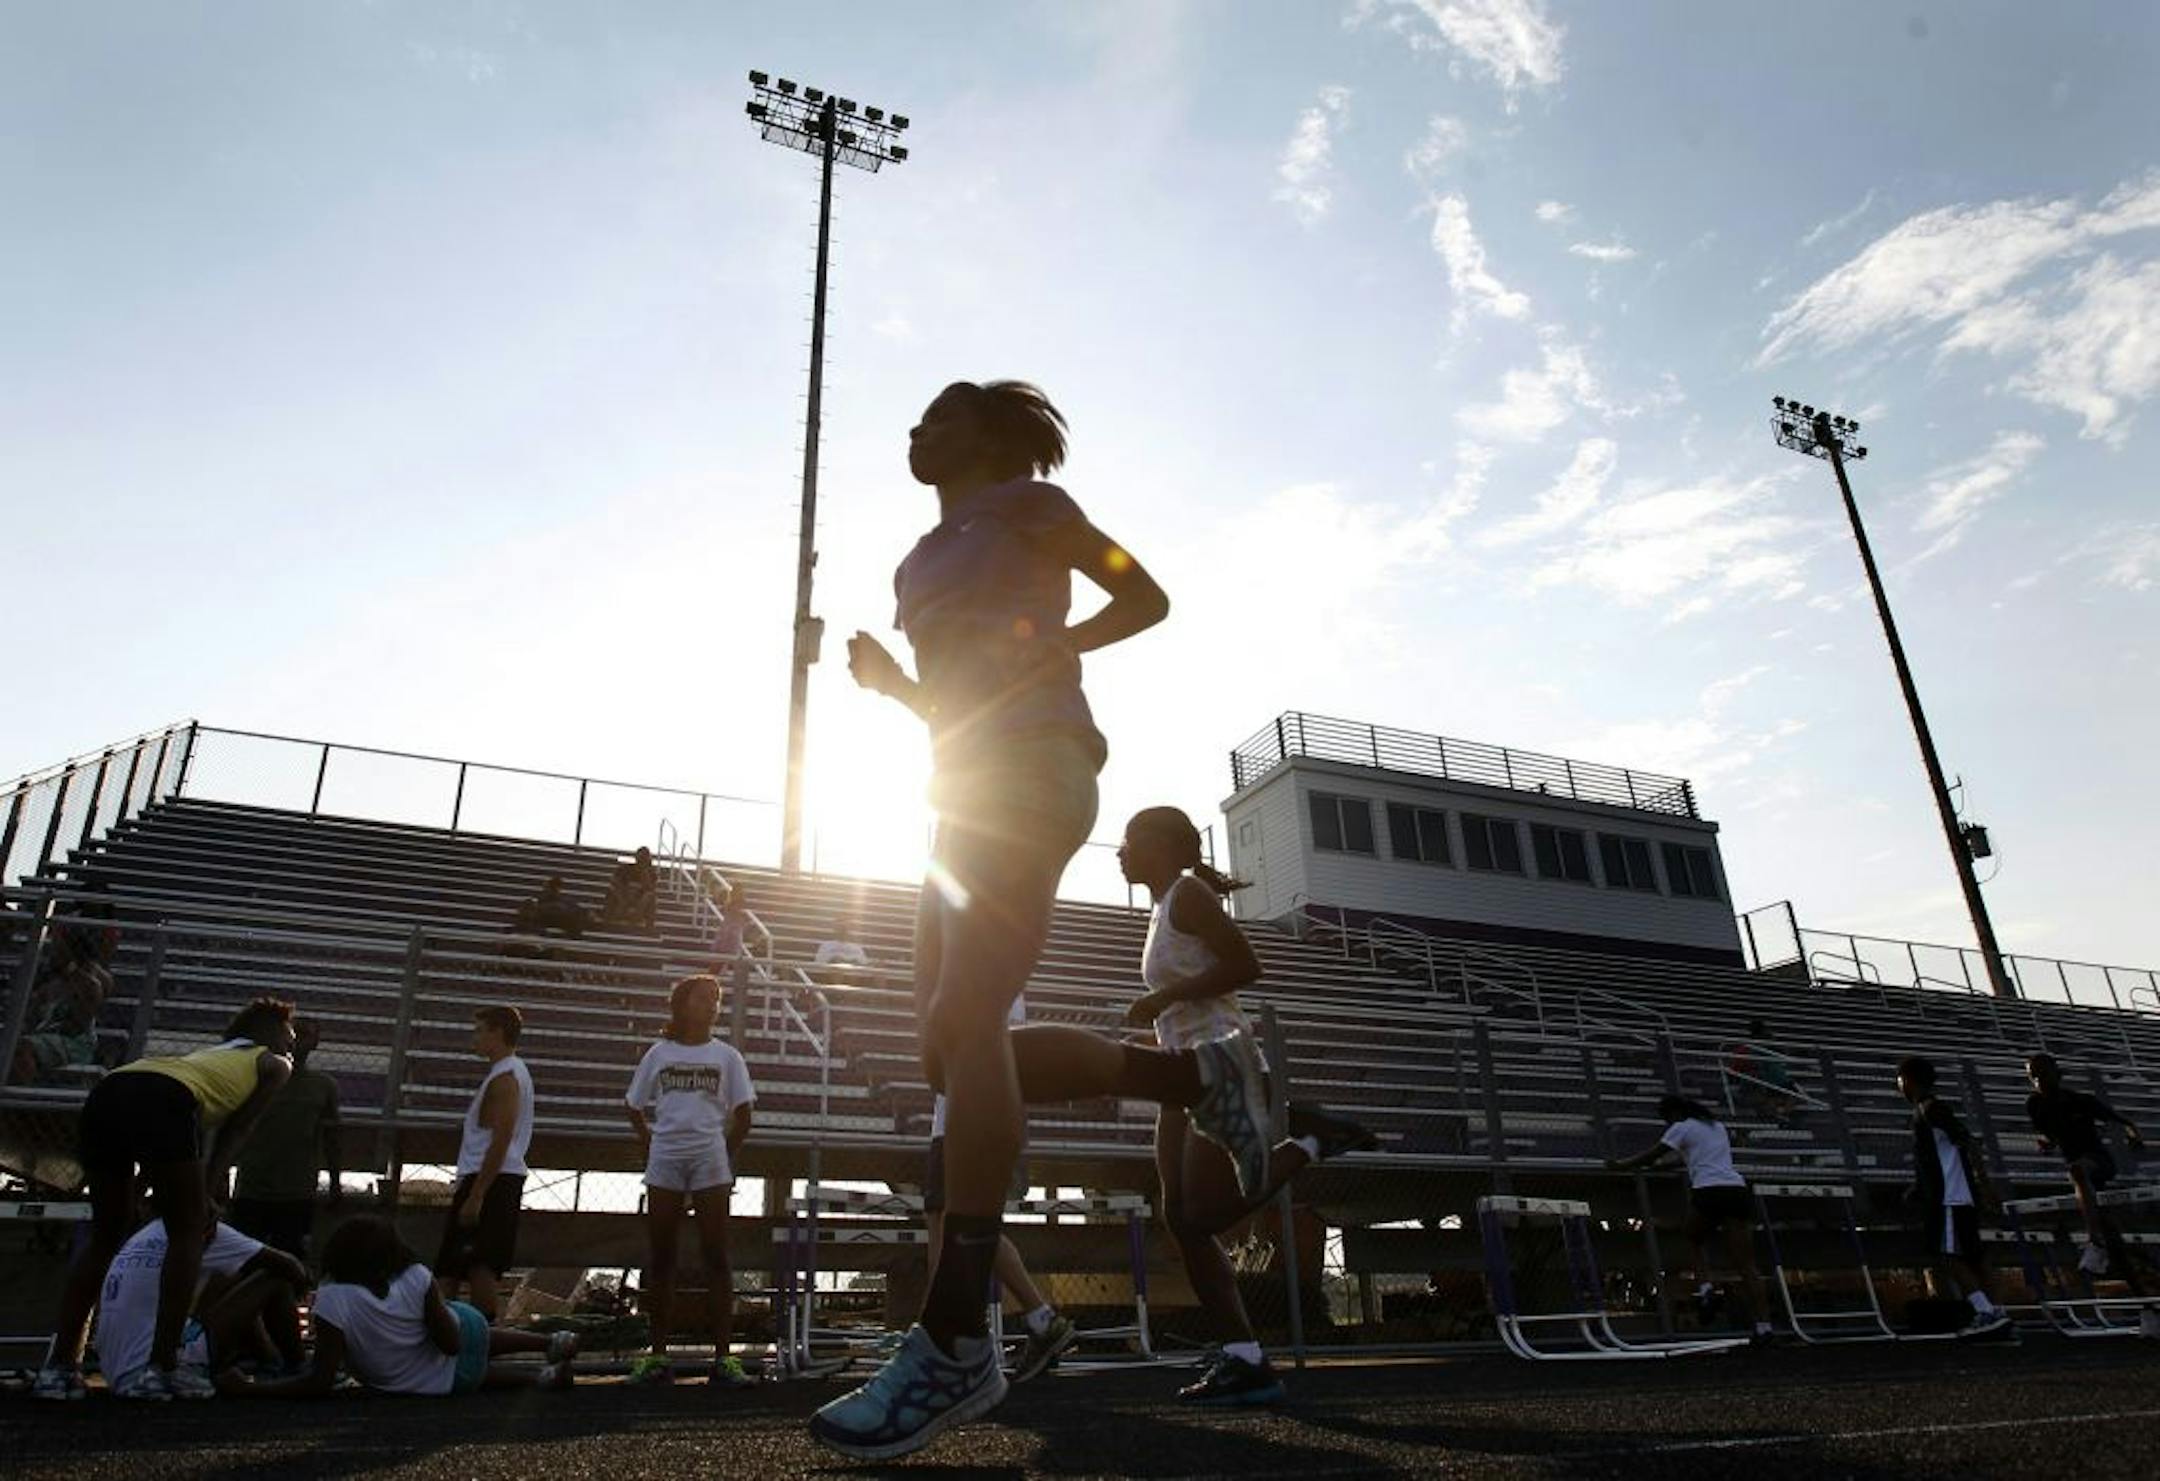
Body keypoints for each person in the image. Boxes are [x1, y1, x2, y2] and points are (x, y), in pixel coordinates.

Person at [815, 378, 1262, 1458]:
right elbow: (958, 697)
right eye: (913, 420)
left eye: (937, 416)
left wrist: (1053, 648)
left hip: (1041, 764)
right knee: (947, 1049)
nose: (914, 431)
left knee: (968, 1019)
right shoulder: (914, 562)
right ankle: (1186, 1077)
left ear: (992, 433)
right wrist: (894, 690)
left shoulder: (1028, 506)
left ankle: (958, 1330)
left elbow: (1142, 596)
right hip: (959, 781)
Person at [1119, 805, 1377, 1405]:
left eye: (1131, 840)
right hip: (1183, 1072)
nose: (1120, 850)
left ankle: (1315, 1141)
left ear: (1161, 846)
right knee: (1181, 1218)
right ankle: (1244, 1357)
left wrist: (1160, 1001)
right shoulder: (1162, 909)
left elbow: (1245, 965)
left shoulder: (1187, 895)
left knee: (1204, 1215)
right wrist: (1155, 1026)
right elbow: (1186, 1003)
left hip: (1224, 1066)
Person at [36, 997, 295, 1402]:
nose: (292, 1045)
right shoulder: (275, 1063)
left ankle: (58, 1369)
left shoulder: (209, 1057)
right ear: (272, 1035)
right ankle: (162, 1366)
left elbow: (156, 1125)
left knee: (106, 1235)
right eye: (290, 1036)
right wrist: (208, 1191)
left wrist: (140, 1187)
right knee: (188, 1230)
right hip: (165, 1100)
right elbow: (238, 1130)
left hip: (110, 1090)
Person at [221, 1216, 576, 1397]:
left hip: (435, 1382)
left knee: (470, 1374)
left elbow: (320, 1379)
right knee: (470, 1331)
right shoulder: (414, 1276)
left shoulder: (331, 1298)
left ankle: (539, 1376)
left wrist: (251, 1390)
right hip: (459, 1333)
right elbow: (451, 1343)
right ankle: (549, 1342)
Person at [921, 995, 1078, 1386]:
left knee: (951, 1225)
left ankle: (949, 1343)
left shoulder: (985, 973)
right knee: (959, 1225)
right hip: (960, 1115)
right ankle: (1035, 1321)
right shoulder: (975, 968)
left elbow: (968, 1045)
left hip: (971, 1116)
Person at [622, 974, 756, 1388]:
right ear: (682, 1004)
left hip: (709, 1157)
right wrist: (652, 1141)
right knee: (662, 1256)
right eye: (703, 998)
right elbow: (633, 1105)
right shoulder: (659, 1053)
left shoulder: (727, 1056)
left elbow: (745, 1114)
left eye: (716, 999)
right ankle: (657, 1356)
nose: (712, 1005)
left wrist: (718, 1153)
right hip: (666, 1155)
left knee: (717, 1256)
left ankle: (723, 1358)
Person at [1605, 1094, 1776, 1345]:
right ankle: (1764, 1327)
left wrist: (1621, 1165)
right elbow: (1688, 1158)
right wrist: (1661, 1167)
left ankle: (1706, 1290)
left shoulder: (1681, 1127)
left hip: (1708, 1191)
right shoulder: (1716, 1127)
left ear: (1673, 1113)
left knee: (1691, 1236)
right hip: (1735, 1190)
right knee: (1746, 1264)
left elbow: (1654, 1153)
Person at [95, 1208, 309, 1399]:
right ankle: (297, 1366)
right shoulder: (203, 1229)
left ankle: (270, 1361)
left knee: (230, 1278)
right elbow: (292, 1268)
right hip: (152, 1365)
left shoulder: (143, 1236)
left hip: (117, 1368)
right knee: (275, 1280)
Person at [1896, 1055, 2012, 1338]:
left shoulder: (1931, 1108)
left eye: (1899, 1079)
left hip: (1949, 1196)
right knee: (1974, 1255)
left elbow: (1968, 1143)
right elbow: (1936, 1155)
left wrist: (1985, 1185)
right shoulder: (1926, 1111)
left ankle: (1985, 1311)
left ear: (1908, 1080)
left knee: (1946, 1255)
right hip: (1954, 1193)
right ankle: (1998, 1314)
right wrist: (1918, 1186)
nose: (1898, 1085)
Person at [434, 1006, 533, 1321]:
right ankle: (449, 1336)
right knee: (453, 1265)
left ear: (498, 1032)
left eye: (479, 1030)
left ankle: (482, 1340)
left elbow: (501, 1139)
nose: (474, 1038)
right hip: (489, 1178)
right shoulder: (504, 1073)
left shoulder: (506, 1076)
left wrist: (477, 1193)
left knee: (481, 1264)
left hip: (492, 1180)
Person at [2024, 1052, 2147, 1287]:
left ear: (2056, 1074)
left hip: (2099, 1163)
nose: (2038, 1081)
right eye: (2033, 1076)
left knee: (2077, 1170)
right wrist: (2047, 1144)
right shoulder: (2035, 1105)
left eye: (2042, 1074)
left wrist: (2135, 1137)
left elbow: (2126, 1122)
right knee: (2116, 1243)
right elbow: (2051, 1136)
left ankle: (2093, 1241)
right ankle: (2148, 1306)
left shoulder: (2081, 1100)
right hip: (2083, 1179)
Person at [229, 1018, 342, 1261]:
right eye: (294, 1034)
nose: (297, 1041)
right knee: (241, 1262)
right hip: (252, 1187)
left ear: (315, 1043)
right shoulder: (254, 1078)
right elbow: (231, 1128)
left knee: (290, 1259)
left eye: (305, 1035)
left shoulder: (323, 1085)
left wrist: (335, 1182)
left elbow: (333, 1138)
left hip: (297, 1191)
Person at [11, 924, 113, 1085]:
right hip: (44, 1034)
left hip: (74, 1042)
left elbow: (75, 1026)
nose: (53, 953)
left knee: (24, 1047)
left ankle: (18, 1102)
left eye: (59, 949)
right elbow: (32, 1011)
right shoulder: (52, 979)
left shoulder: (89, 984)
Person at [1727, 1018, 1798, 1125]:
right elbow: (1736, 1068)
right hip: (1762, 1079)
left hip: (1771, 1078)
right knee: (1769, 1093)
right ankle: (1777, 1115)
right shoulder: (1752, 1047)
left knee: (1786, 1093)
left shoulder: (1762, 1046)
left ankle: (1779, 1113)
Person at [601, 848, 660, 930]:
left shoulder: (651, 874)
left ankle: (640, 920)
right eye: (641, 858)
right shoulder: (625, 868)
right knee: (612, 890)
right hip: (623, 898)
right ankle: (611, 917)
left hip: (639, 903)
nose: (642, 861)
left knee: (650, 896)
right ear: (636, 858)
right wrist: (624, 894)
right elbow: (613, 880)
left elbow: (650, 889)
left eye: (645, 859)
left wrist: (645, 873)